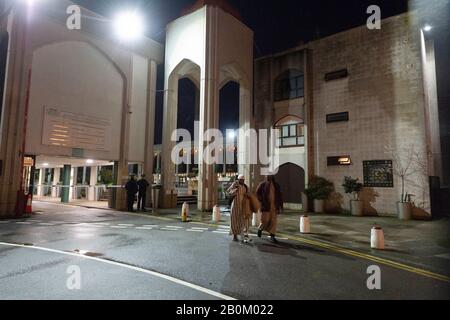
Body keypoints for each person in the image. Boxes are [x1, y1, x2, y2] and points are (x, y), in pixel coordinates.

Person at [256, 175, 283, 243]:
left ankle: (272, 236)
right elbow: (257, 193)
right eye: (267, 176)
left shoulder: (276, 185)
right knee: (265, 220)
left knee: (273, 221)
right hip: (266, 206)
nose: (268, 177)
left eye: (270, 175)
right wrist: (261, 200)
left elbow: (280, 196)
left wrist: (281, 206)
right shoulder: (262, 184)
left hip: (274, 207)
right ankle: (260, 229)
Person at [227, 174, 252, 243]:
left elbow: (249, 195)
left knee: (244, 221)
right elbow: (228, 192)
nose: (242, 181)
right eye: (240, 180)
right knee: (234, 221)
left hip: (243, 207)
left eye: (243, 180)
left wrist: (248, 195)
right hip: (235, 206)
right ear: (238, 180)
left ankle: (244, 236)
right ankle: (235, 236)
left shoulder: (246, 187)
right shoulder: (235, 184)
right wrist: (234, 190)